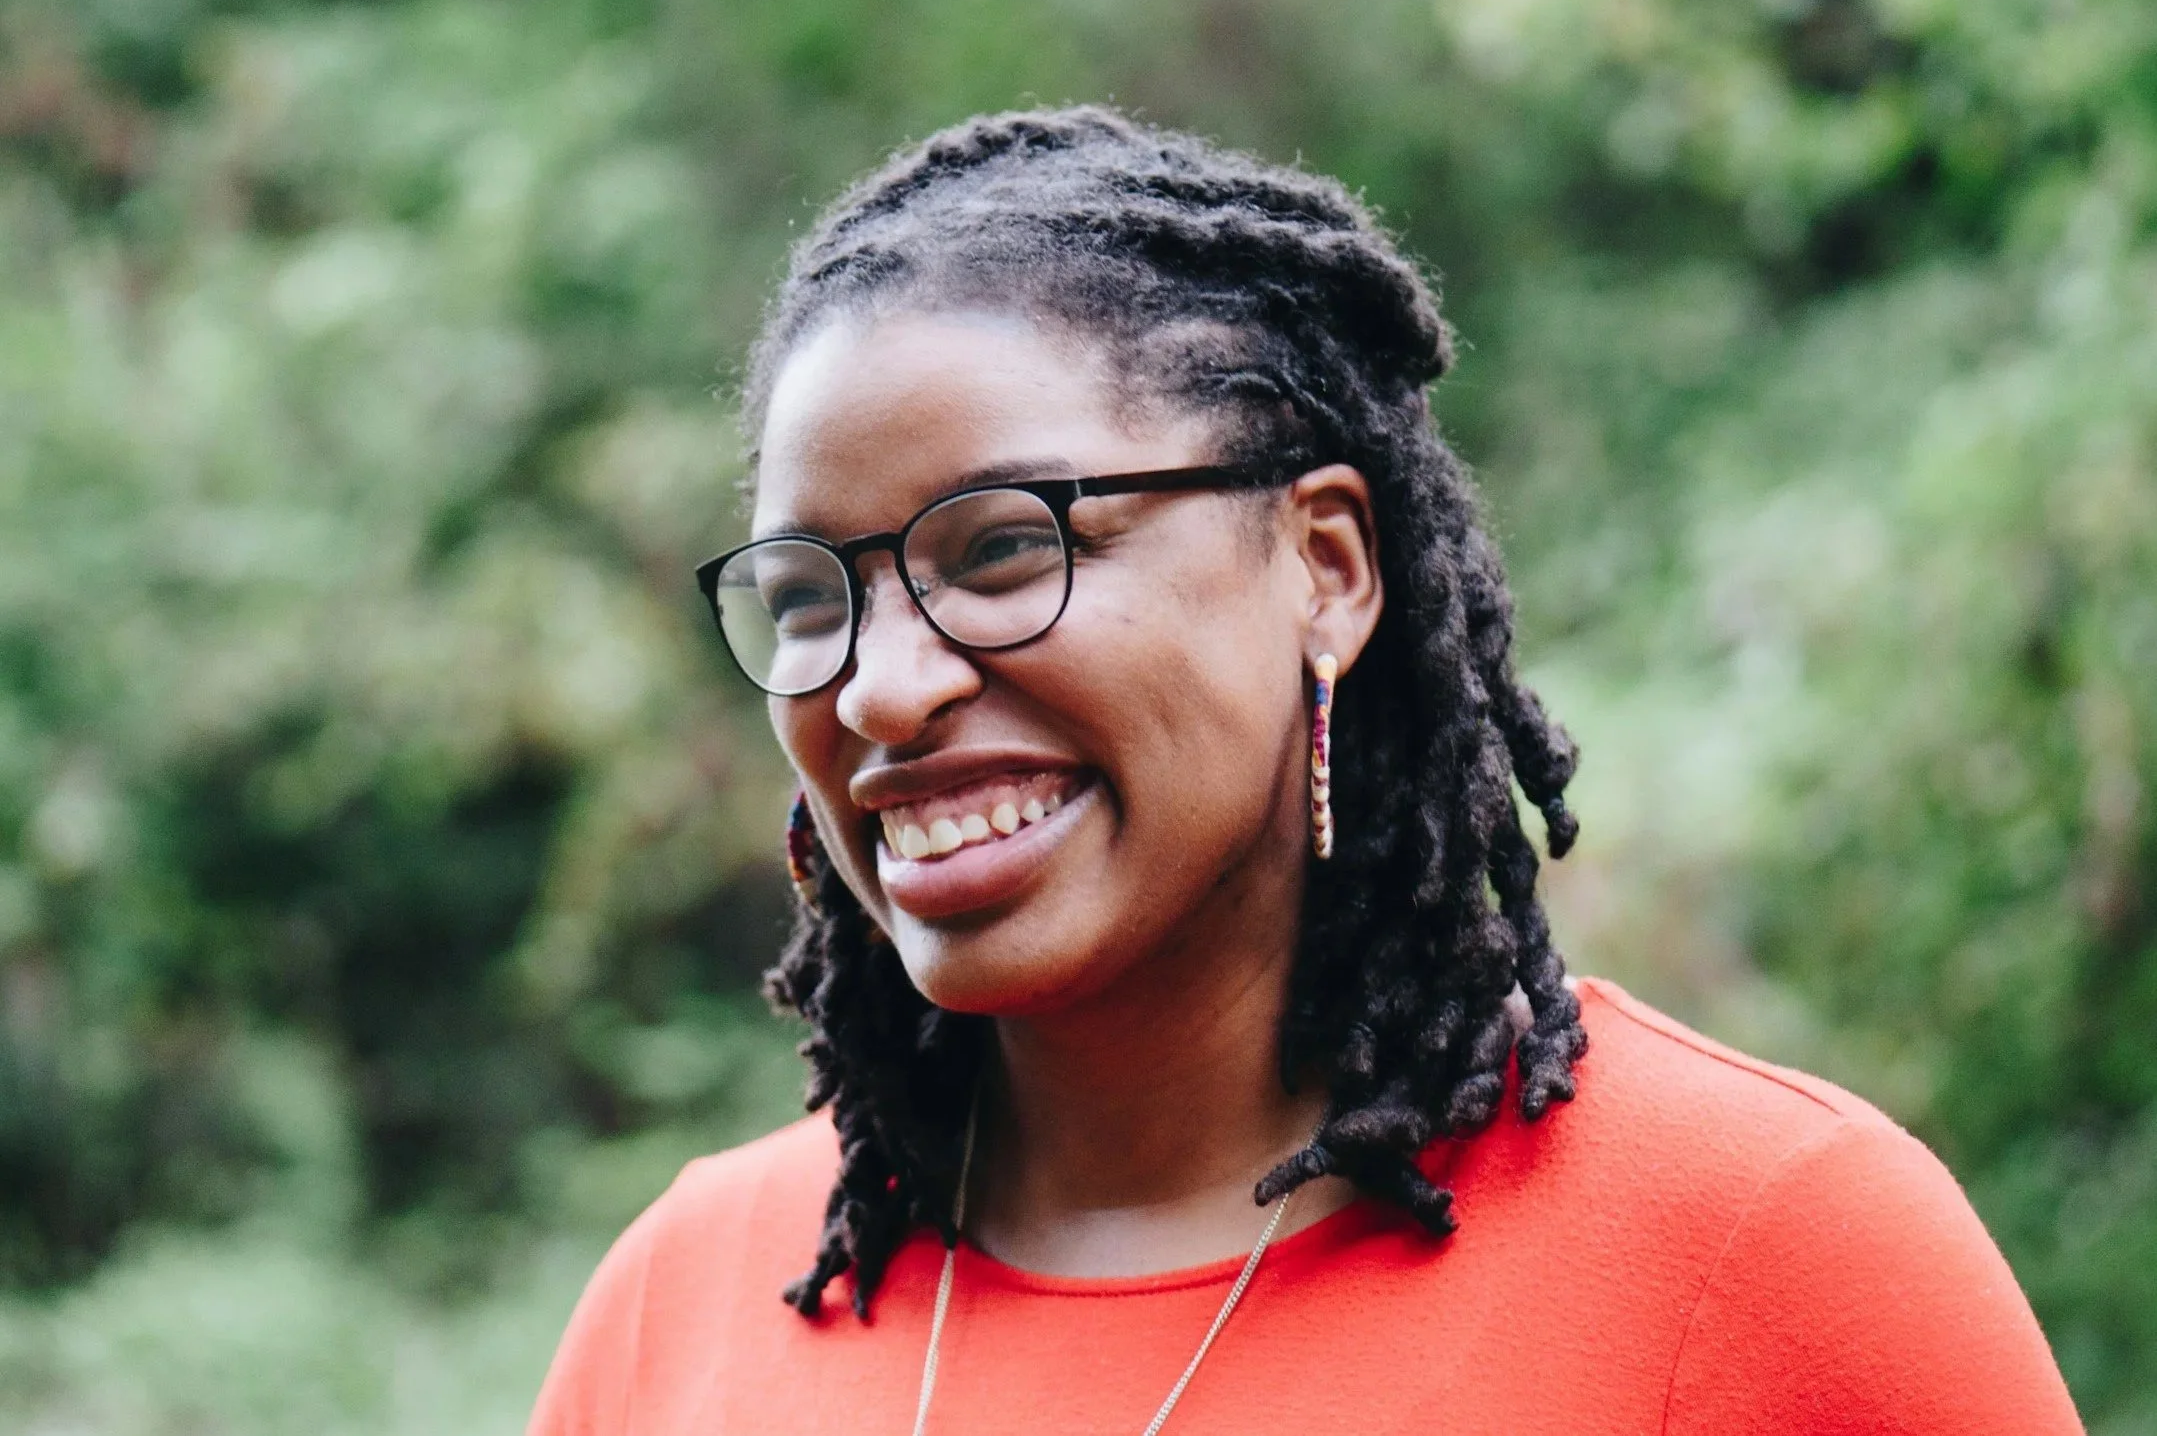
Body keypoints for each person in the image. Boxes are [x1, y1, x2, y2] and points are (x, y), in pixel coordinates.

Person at [527, 107, 2083, 1435]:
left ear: (1324, 565)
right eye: (813, 597)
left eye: (1004, 552)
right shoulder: (683, 1310)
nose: (885, 684)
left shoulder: (1767, 1249)